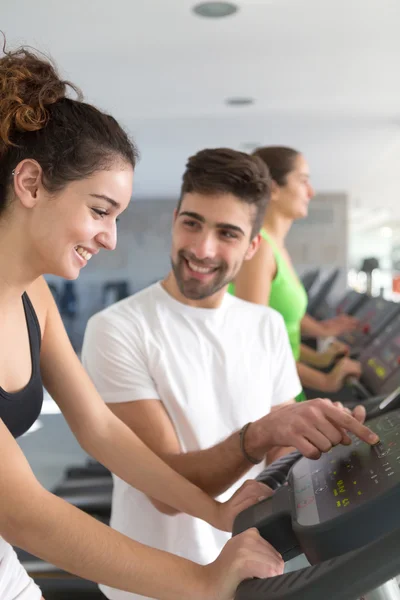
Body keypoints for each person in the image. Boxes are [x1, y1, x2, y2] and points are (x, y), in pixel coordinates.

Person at [0, 45, 286, 600]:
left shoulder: (33, 297)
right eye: (100, 210)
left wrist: (218, 513)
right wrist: (201, 582)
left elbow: (102, 430)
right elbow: (22, 510)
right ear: (31, 184)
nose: (110, 238)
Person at [82, 147, 379, 600]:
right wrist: (256, 435)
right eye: (193, 223)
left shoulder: (266, 326)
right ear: (175, 218)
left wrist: (329, 442)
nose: (203, 249)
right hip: (154, 585)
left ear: (252, 245)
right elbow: (164, 490)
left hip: (248, 571)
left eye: (227, 233)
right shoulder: (118, 329)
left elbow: (281, 451)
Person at [230, 146, 362, 396]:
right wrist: (324, 382)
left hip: (285, 385)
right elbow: (254, 343)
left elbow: (282, 321)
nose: (311, 192)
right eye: (303, 181)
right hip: (269, 393)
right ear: (273, 188)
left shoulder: (276, 247)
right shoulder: (259, 250)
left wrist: (320, 356)